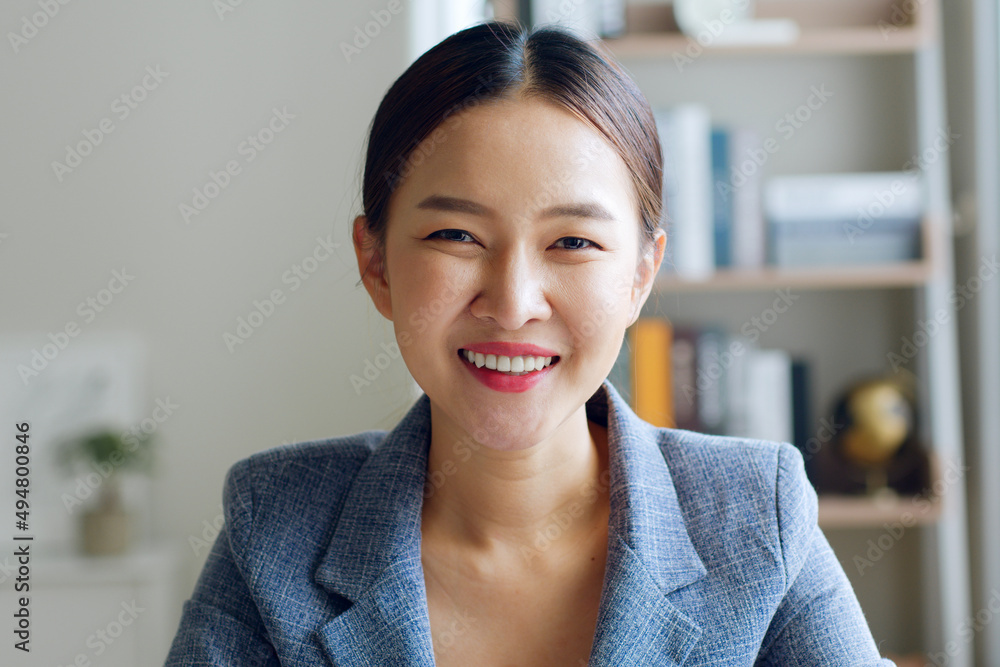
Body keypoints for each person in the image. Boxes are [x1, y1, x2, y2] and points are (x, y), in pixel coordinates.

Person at [167, 20, 895, 666]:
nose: (513, 304)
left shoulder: (752, 516)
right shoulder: (276, 528)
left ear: (642, 273)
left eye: (572, 241)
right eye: (457, 235)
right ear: (376, 263)